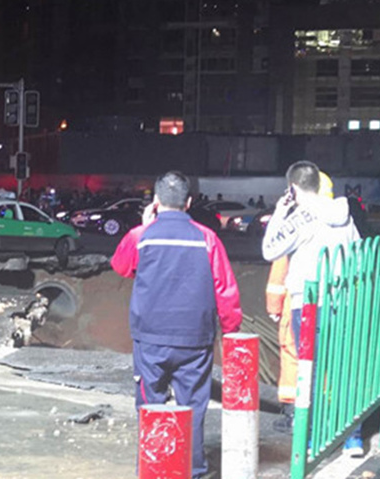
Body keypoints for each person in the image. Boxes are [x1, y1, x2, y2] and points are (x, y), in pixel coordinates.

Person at [111, 171, 242, 479]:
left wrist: (144, 225)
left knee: (150, 406)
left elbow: (121, 266)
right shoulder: (207, 238)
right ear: (189, 202)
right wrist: (231, 331)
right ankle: (193, 471)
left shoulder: (141, 236)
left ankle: (153, 469)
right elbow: (225, 289)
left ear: (156, 201)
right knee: (193, 407)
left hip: (151, 340)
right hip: (195, 340)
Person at [262, 161, 361, 455]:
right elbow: (358, 255)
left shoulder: (299, 218)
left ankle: (312, 436)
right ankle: (353, 438)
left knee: (310, 370)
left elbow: (269, 250)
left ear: (293, 188)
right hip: (342, 301)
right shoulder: (344, 215)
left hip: (306, 305)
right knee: (342, 368)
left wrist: (280, 212)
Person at [265, 171, 335, 433]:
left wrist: (273, 306)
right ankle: (323, 414)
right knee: (325, 359)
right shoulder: (339, 222)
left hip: (298, 302)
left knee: (295, 355)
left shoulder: (297, 224)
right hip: (332, 303)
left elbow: (278, 268)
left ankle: (296, 414)